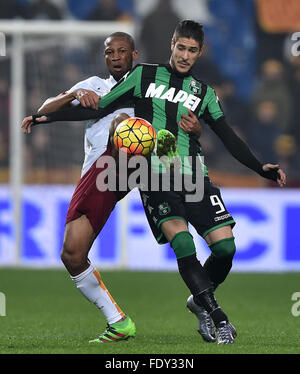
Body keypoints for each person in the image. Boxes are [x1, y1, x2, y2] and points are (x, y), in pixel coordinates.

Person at [22, 20, 286, 345]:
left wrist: (260, 167)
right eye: (181, 47)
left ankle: (198, 301)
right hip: (153, 175)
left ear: (200, 52)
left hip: (193, 175)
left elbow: (228, 136)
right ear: (172, 44)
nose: (185, 55)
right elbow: (102, 107)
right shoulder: (143, 75)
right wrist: (45, 117)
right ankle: (218, 317)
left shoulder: (204, 93)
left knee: (226, 247)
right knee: (182, 244)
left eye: (192, 50)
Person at [21, 31, 201, 344]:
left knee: (121, 122)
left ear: (134, 54)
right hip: (95, 174)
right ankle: (118, 321)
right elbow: (49, 106)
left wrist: (184, 141)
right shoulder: (93, 84)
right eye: (109, 52)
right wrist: (74, 94)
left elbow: (169, 123)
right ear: (105, 57)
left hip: (125, 165)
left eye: (122, 51)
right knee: (73, 254)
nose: (115, 57)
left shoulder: (148, 85)